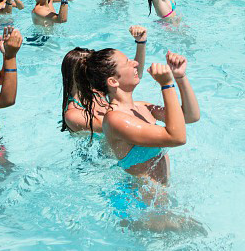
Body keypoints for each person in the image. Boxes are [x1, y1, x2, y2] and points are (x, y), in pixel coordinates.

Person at [75, 47, 201, 185]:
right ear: (113, 81)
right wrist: (166, 85)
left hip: (161, 197)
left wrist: (180, 77)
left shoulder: (142, 107)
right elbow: (177, 138)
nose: (135, 63)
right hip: (144, 203)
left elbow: (190, 116)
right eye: (127, 62)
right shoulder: (115, 119)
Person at [62, 27, 148, 134]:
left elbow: (134, 75)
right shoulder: (73, 115)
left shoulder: (96, 91)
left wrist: (141, 43)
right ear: (77, 74)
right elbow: (115, 128)